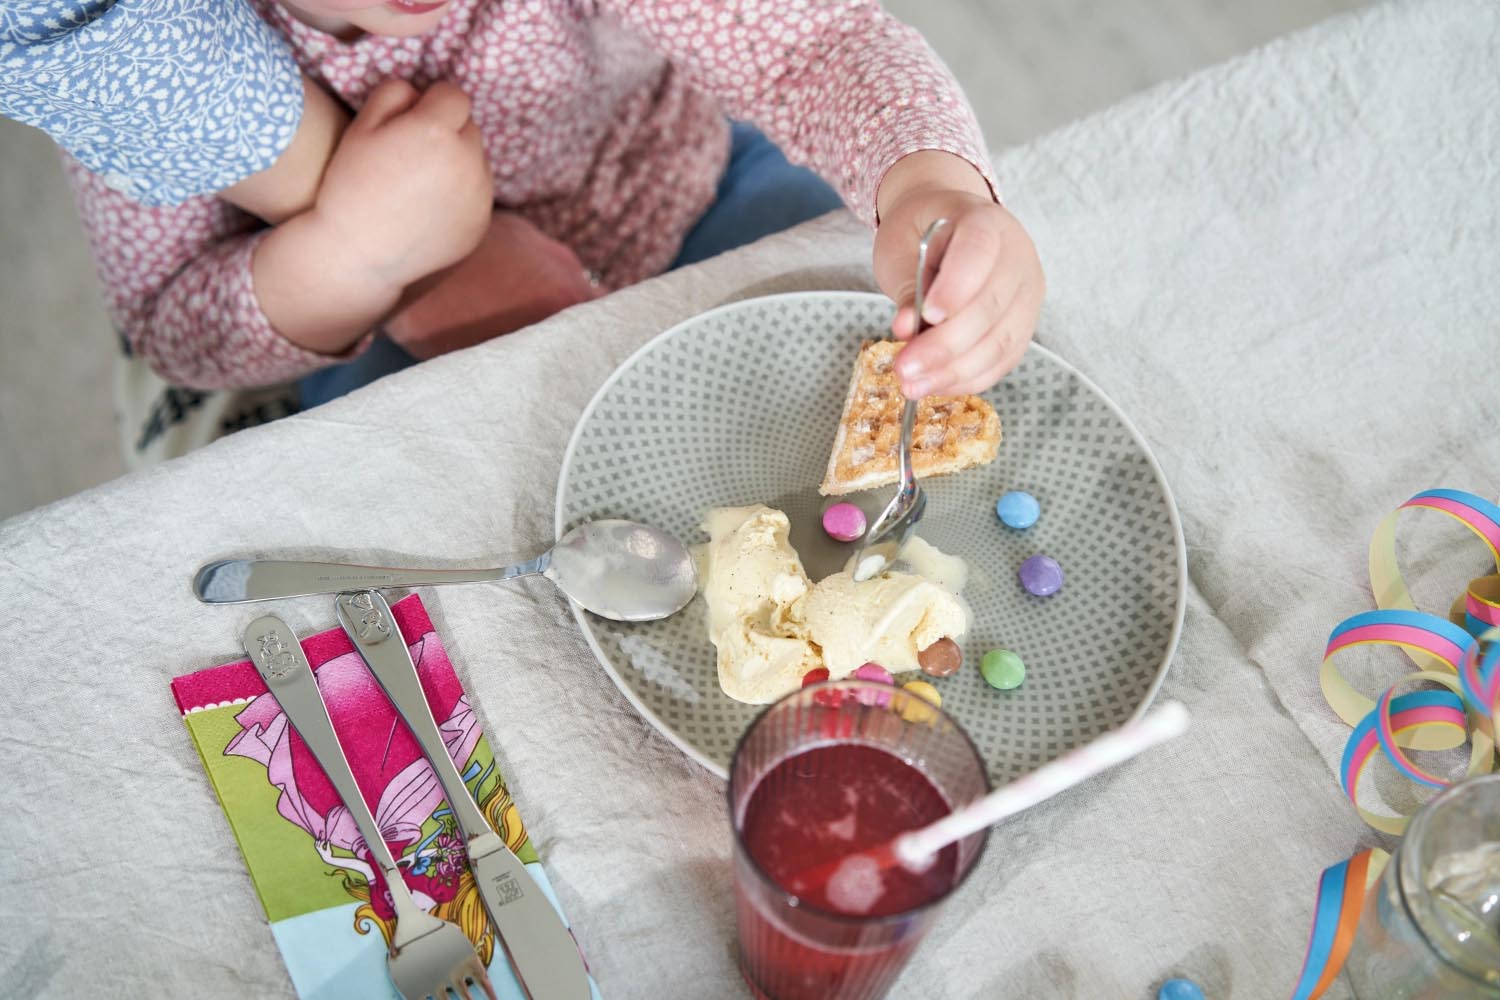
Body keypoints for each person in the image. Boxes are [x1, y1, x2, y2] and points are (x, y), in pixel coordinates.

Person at [57, 0, 1045, 464]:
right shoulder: (131, 50)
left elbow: (812, 44)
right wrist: (352, 258)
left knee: (873, 368)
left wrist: (933, 188)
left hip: (685, 193)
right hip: (400, 337)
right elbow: (174, 319)